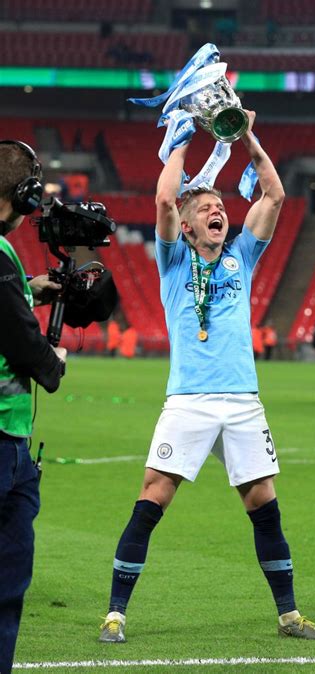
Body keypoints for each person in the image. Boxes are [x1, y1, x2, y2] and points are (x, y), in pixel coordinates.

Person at [99, 111, 315, 643]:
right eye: (205, 208)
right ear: (186, 226)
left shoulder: (241, 257)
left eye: (221, 207)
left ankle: (289, 615)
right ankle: (115, 612)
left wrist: (244, 135)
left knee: (264, 505)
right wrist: (178, 142)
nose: (217, 212)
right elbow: (163, 200)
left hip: (243, 402)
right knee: (152, 497)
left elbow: (273, 196)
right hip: (188, 401)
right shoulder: (173, 261)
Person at [0, 139, 67, 674]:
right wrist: (55, 359)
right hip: (1, 438)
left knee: (9, 575)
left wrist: (30, 287)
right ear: (22, 197)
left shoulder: (7, 262)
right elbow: (25, 346)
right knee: (6, 577)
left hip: (13, 441)